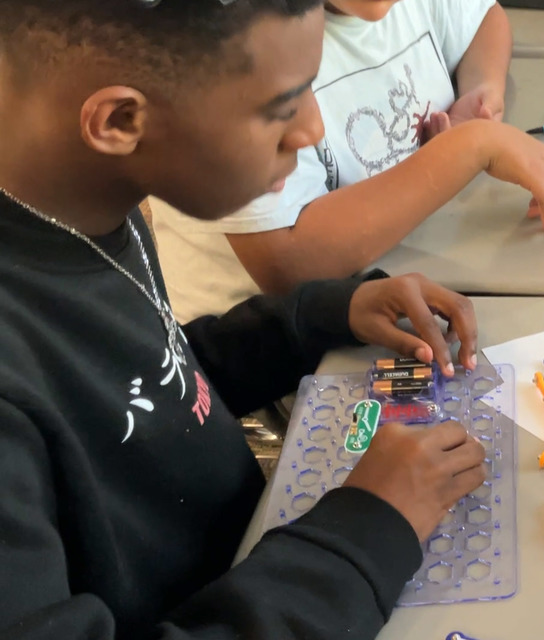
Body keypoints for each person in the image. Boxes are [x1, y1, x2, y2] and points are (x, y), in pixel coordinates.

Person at [0, 1, 487, 639]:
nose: (313, 129)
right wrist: (365, 532)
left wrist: (319, 315)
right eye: (283, 107)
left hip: (250, 561)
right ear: (120, 120)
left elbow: (145, 384)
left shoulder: (79, 208)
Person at [150, 0, 544, 322]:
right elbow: (291, 265)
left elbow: (482, 18)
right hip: (266, 356)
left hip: (384, 289)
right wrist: (467, 148)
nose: (311, 131)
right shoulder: (237, 37)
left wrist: (482, 89)